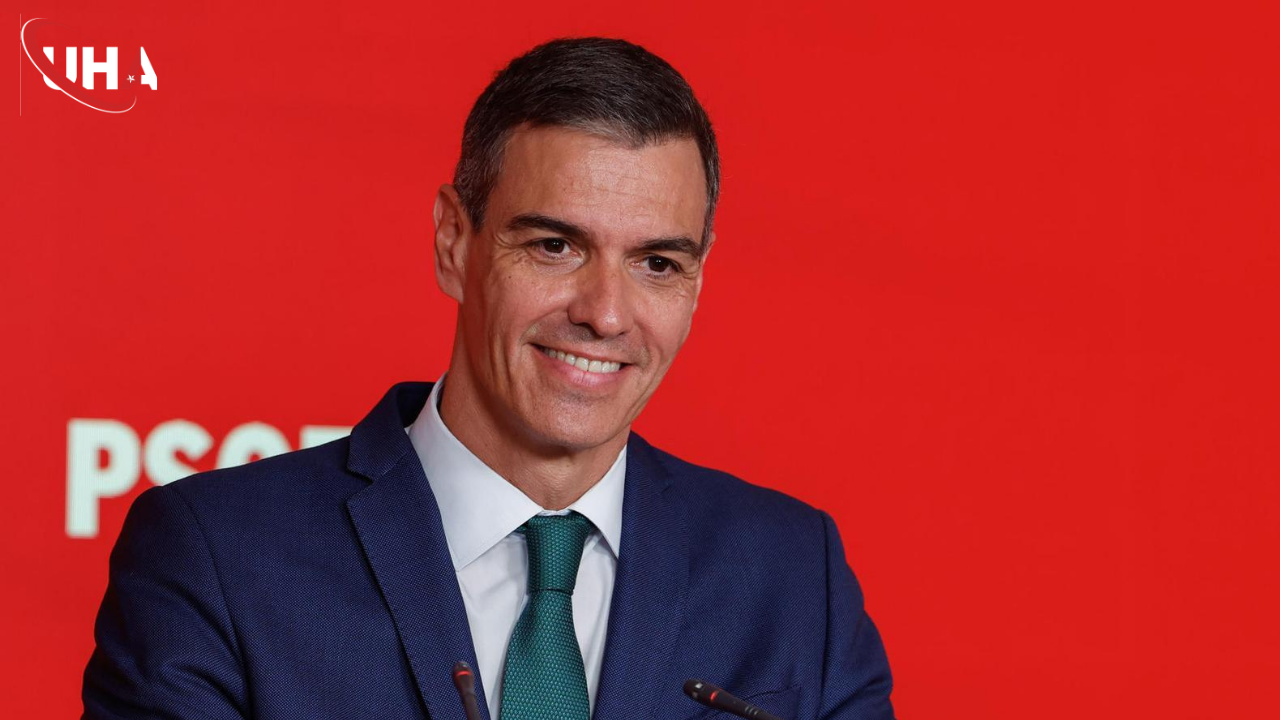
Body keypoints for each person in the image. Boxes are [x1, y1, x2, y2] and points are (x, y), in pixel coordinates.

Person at [82, 37, 895, 720]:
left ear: (698, 280)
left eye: (656, 263)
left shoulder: (795, 575)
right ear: (454, 242)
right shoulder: (219, 557)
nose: (606, 314)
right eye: (554, 247)